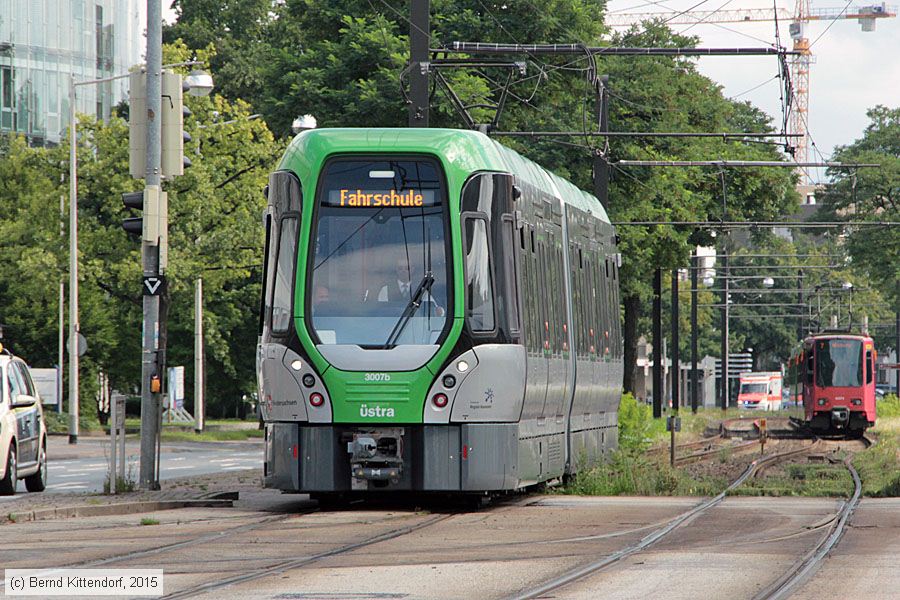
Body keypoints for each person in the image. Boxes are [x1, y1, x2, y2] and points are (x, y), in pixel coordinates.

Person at [377, 257, 444, 317]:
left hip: (415, 325)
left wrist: (440, 311)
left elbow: (434, 310)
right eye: (400, 268)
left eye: (407, 268)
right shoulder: (385, 290)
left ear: (412, 270)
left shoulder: (421, 289)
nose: (403, 270)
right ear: (396, 270)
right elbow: (380, 312)